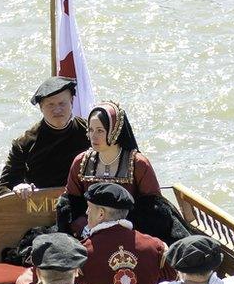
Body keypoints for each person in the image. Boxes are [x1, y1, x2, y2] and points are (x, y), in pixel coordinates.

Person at [55, 100, 188, 242]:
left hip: (131, 234)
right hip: (89, 234)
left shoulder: (138, 164)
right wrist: (85, 227)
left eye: (100, 131)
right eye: (91, 130)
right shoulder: (81, 162)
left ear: (115, 131)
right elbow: (70, 204)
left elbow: (153, 210)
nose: (93, 136)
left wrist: (119, 229)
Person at [0, 76, 89, 200]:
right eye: (50, 105)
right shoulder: (24, 143)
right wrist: (18, 189)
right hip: (40, 210)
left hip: (83, 206)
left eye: (62, 103)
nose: (57, 110)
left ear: (72, 102)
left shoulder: (90, 132)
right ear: (41, 108)